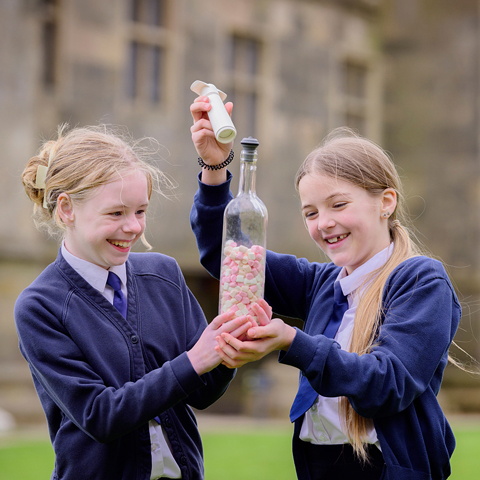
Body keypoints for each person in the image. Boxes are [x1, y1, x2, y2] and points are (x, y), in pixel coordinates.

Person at [189, 96, 462, 480]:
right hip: (318, 467)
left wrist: (292, 342)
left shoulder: (421, 281)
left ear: (385, 202)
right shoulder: (321, 283)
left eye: (338, 205)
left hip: (386, 470)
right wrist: (215, 168)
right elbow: (230, 254)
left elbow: (387, 383)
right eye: (311, 213)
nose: (324, 223)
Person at [14, 124, 260, 480]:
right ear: (67, 209)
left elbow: (203, 391)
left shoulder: (164, 273)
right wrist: (193, 361)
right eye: (116, 213)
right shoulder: (40, 306)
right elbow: (99, 416)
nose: (133, 227)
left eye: (140, 211)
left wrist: (229, 349)